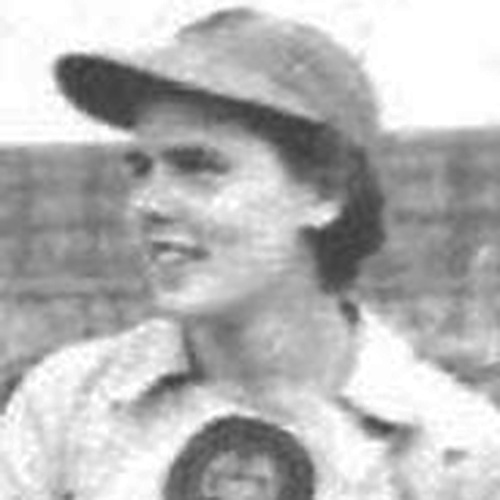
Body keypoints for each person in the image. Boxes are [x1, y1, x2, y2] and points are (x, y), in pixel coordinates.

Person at [1, 7, 500, 500]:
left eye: (198, 166)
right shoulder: (67, 407)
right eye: (141, 168)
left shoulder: (455, 452)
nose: (147, 203)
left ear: (325, 193)